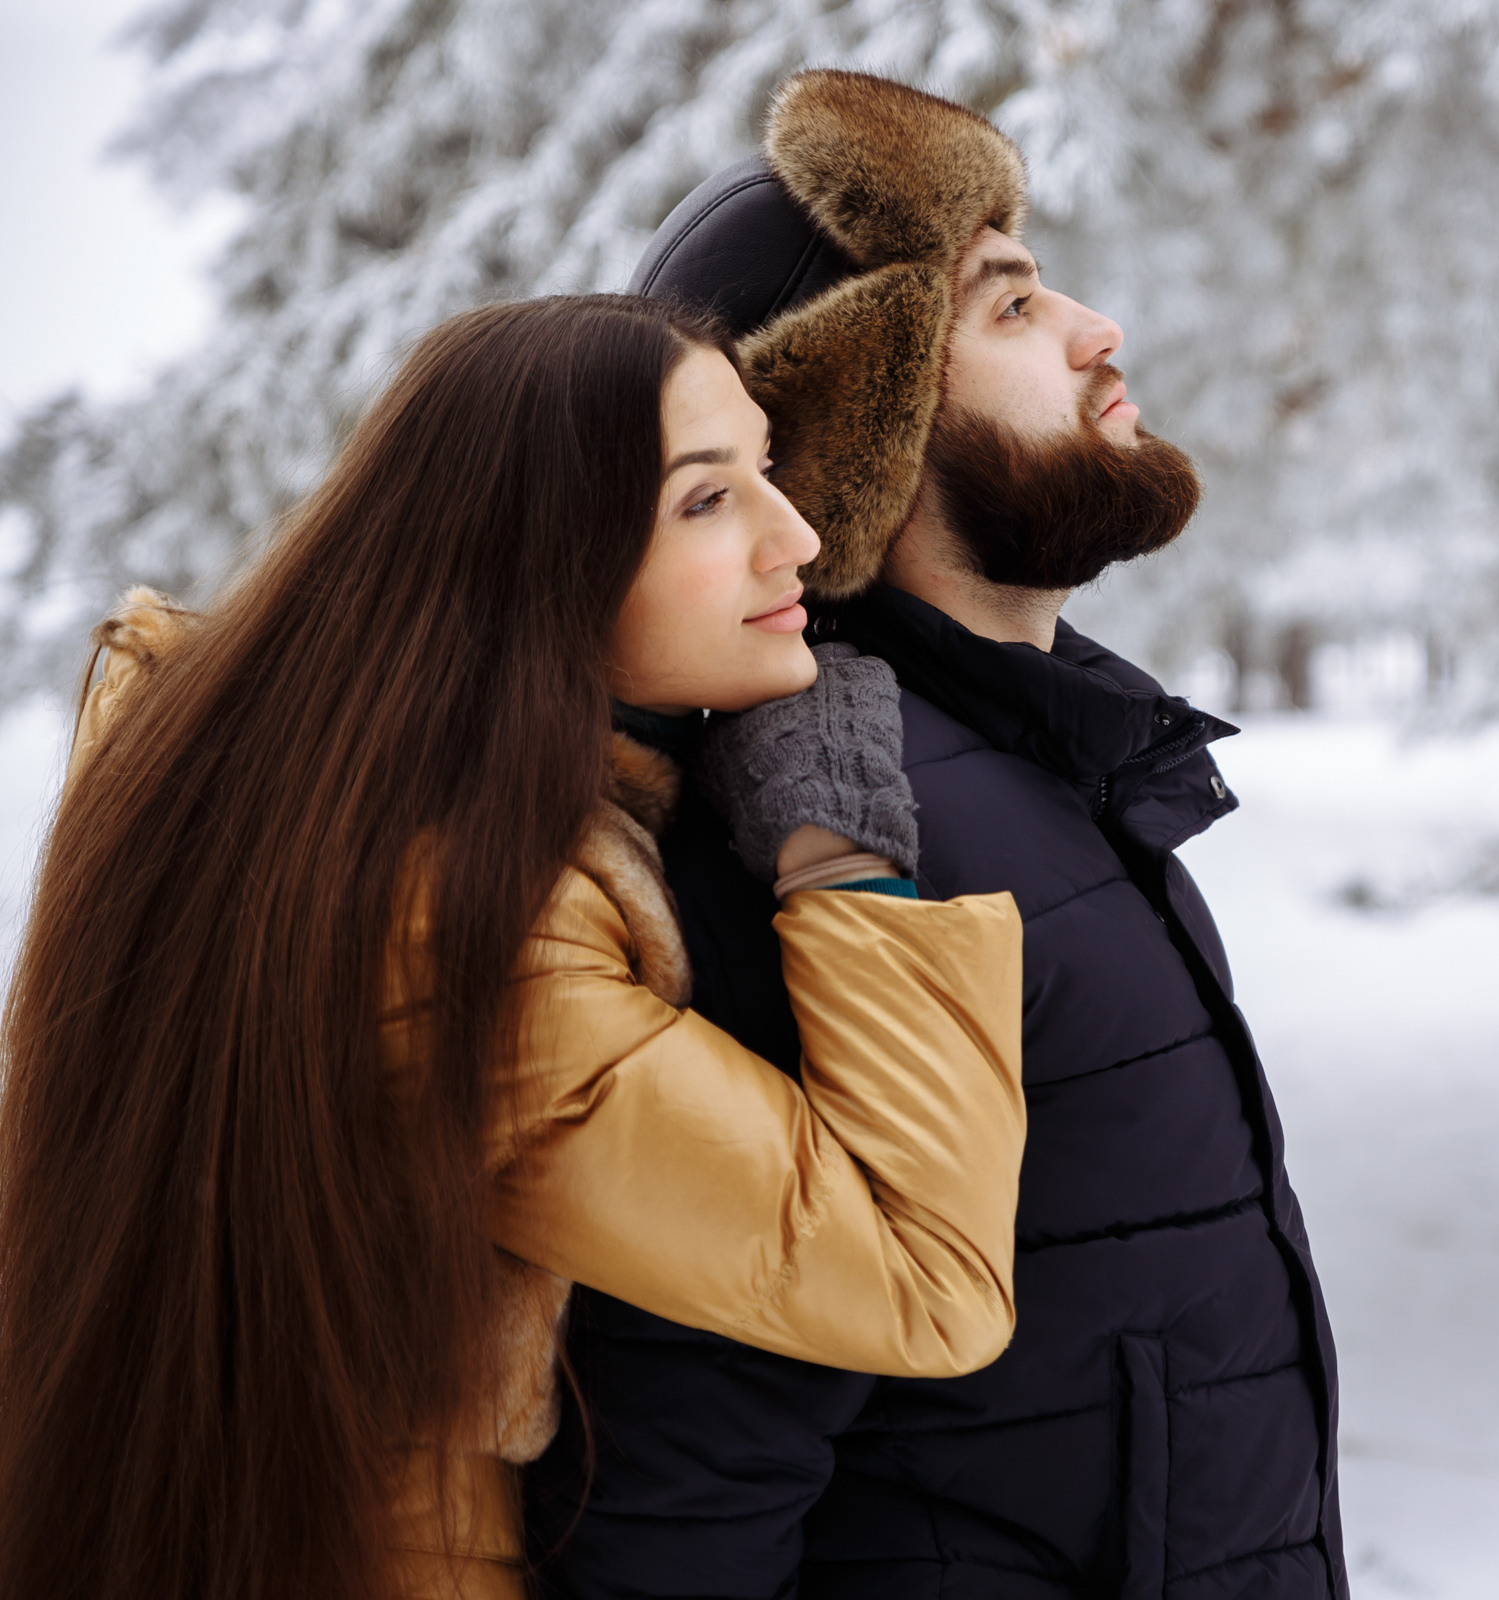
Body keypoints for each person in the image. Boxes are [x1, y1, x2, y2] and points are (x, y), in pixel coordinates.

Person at [0, 293, 1029, 1600]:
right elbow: (922, 1275)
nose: (800, 539)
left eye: (766, 474)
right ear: (544, 558)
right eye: (708, 502)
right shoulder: (466, 929)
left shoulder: (306, 802)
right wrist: (839, 843)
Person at [525, 71, 1346, 1600]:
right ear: (864, 415)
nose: (1101, 330)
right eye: (1014, 309)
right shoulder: (832, 844)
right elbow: (684, 1484)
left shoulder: (1023, 779)